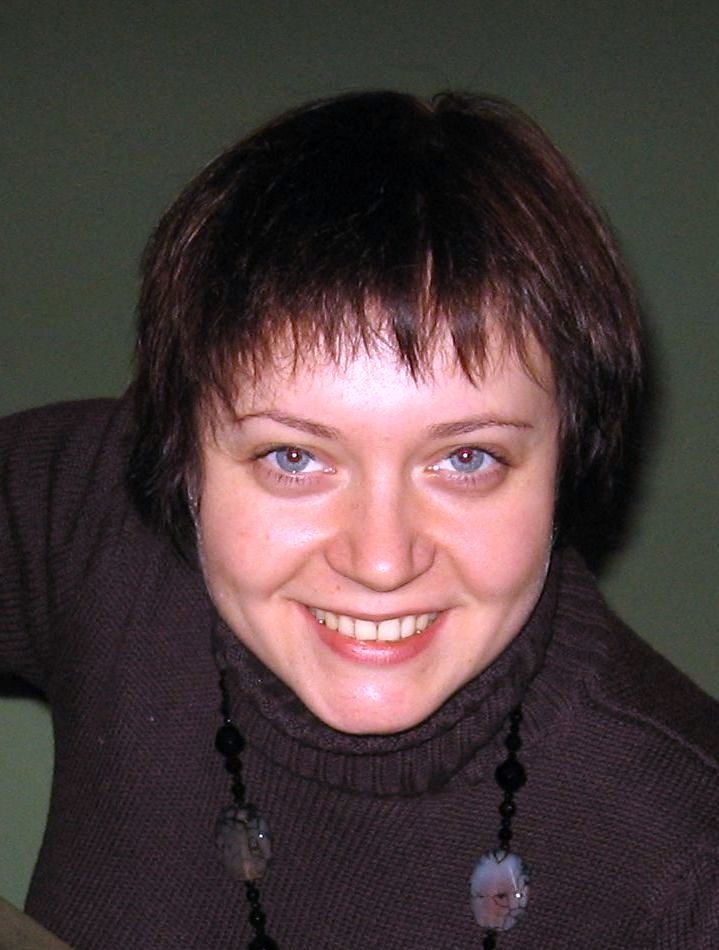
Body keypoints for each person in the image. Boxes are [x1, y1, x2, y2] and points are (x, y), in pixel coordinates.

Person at [1, 90, 717, 950]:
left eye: (467, 458)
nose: (381, 561)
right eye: (293, 458)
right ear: (182, 455)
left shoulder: (686, 860)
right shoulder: (88, 520)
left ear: (568, 461)